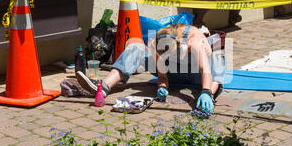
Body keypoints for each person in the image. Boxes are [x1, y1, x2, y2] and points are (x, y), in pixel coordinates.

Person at [76, 23, 226, 114]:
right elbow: (162, 76)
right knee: (136, 47)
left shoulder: (194, 40)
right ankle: (104, 87)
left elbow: (206, 70)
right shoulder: (156, 41)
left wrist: (206, 92)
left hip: (197, 76)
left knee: (219, 57)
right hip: (173, 74)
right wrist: (162, 85)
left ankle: (209, 97)